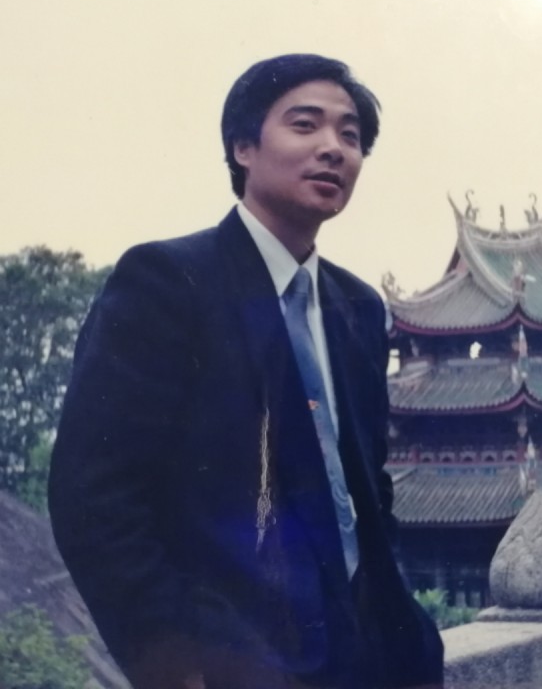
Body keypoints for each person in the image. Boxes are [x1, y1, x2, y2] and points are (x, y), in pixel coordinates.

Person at [48, 54, 444, 689]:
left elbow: (366, 482)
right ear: (243, 148)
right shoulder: (168, 281)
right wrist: (174, 664)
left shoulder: (357, 307)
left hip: (368, 659)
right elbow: (93, 496)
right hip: (237, 661)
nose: (333, 148)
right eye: (304, 125)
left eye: (349, 135)